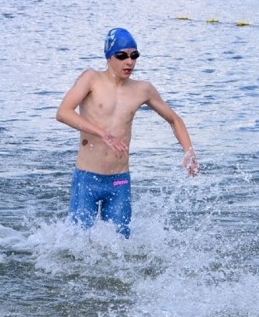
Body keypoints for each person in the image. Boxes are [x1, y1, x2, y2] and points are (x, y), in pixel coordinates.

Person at [56, 27, 199, 237]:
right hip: (87, 178)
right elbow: (63, 112)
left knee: (121, 245)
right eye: (122, 56)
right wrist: (101, 133)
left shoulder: (143, 90)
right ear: (108, 56)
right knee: (75, 245)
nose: (129, 62)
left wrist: (189, 152)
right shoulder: (91, 79)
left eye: (134, 56)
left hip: (119, 181)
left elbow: (174, 119)